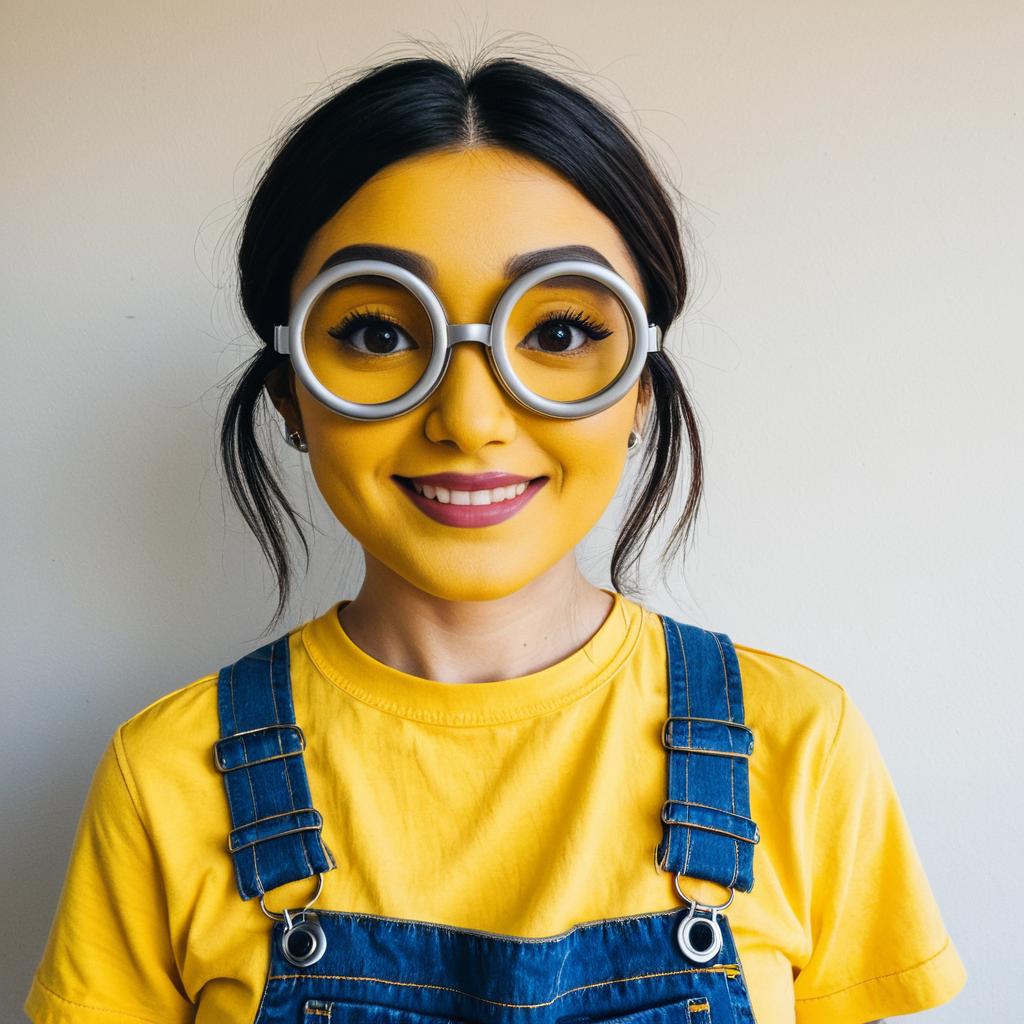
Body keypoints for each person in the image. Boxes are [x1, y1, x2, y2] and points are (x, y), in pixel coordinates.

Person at [25, 53, 966, 1024]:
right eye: (380, 334)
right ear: (292, 394)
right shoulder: (168, 772)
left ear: (638, 384)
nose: (469, 419)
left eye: (556, 331)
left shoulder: (799, 743)